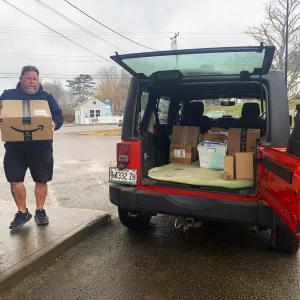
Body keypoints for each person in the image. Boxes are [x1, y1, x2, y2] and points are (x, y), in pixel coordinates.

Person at [0, 65, 63, 229]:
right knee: (15, 180)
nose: (32, 82)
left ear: (38, 80)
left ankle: (40, 210)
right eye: (28, 78)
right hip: (15, 149)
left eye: (35, 79)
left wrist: (54, 123)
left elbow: (58, 115)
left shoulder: (47, 98)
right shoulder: (8, 96)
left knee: (41, 180)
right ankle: (22, 212)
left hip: (41, 148)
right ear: (21, 79)